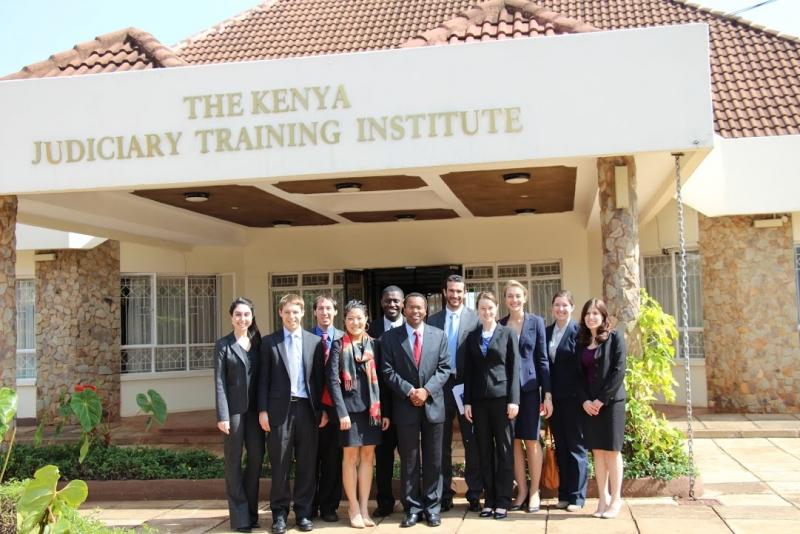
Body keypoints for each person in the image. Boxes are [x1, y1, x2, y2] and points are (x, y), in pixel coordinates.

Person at [380, 293, 450, 528]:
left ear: (426, 310)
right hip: (405, 405)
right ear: (404, 309)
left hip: (433, 405)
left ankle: (432, 508)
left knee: (434, 460)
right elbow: (387, 371)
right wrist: (410, 391)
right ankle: (412, 508)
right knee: (409, 460)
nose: (415, 311)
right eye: (410, 307)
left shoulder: (439, 335)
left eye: (419, 307)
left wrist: (426, 391)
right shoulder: (390, 338)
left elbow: (444, 369)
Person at [258, 294, 326, 534]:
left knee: (307, 464)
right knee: (280, 464)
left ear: (303, 313)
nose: (291, 316)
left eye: (296, 312)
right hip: (279, 412)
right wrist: (263, 410)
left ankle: (303, 513)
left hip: (308, 410)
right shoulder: (269, 343)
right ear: (280, 313)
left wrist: (323, 410)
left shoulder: (314, 342)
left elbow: (320, 380)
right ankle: (279, 514)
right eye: (287, 312)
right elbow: (262, 380)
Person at [327, 300, 391, 529]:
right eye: (350, 318)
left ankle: (364, 507)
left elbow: (383, 381)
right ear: (344, 320)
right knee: (350, 458)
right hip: (348, 413)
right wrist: (341, 412)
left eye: (359, 318)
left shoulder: (376, 345)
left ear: (367, 320)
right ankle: (352, 506)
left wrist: (385, 412)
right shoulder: (337, 345)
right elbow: (333, 382)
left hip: (372, 412)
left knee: (367, 458)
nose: (355, 322)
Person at [427, 274, 482, 512]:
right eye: (451, 291)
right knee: (442, 443)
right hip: (441, 388)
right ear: (444, 292)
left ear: (464, 292)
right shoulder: (434, 319)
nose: (455, 295)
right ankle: (444, 494)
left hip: (465, 387)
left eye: (459, 291)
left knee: (472, 442)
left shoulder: (475, 319)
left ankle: (474, 493)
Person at [463, 291, 520, 520]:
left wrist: (514, 399)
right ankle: (490, 499)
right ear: (478, 311)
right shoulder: (472, 336)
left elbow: (514, 368)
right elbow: (469, 371)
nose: (487, 312)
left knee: (504, 451)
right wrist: (467, 401)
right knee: (483, 451)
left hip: (502, 400)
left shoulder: (507, 333)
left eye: (490, 308)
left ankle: (504, 500)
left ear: (497, 308)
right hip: (478, 402)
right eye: (482, 308)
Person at [498, 280, 552, 513]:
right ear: (505, 299)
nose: (514, 300)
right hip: (507, 392)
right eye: (510, 296)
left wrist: (547, 394)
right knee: (514, 443)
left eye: (518, 296)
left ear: (525, 297)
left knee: (531, 439)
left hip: (530, 391)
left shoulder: (536, 322)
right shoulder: (500, 325)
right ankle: (521, 491)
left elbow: (542, 360)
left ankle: (534, 492)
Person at [214, 297, 265, 533]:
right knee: (233, 463)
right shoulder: (223, 345)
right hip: (233, 412)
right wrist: (222, 415)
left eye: (246, 314)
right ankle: (239, 517)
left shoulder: (258, 342)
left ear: (252, 317)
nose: (242, 318)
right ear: (231, 317)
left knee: (255, 460)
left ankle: (252, 513)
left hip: (255, 412)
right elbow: (219, 382)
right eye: (238, 314)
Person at [575, 298, 626, 519]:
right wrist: (585, 401)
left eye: (596, 313)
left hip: (611, 404)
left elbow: (618, 371)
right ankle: (602, 499)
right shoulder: (581, 341)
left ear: (604, 316)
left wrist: (601, 400)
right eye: (588, 313)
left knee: (612, 451)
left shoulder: (615, 338)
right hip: (589, 406)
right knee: (597, 451)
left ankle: (616, 499)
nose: (591, 317)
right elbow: (578, 376)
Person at [546, 290, 587, 512]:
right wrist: (547, 395)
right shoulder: (547, 331)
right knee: (561, 446)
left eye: (565, 305)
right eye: (557, 305)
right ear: (552, 307)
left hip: (573, 400)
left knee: (576, 447)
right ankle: (564, 494)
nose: (560, 309)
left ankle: (577, 497)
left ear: (572, 307)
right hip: (554, 400)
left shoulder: (579, 333)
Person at [367, 285, 404, 517]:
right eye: (388, 301)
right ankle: (385, 502)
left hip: (408, 401)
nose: (392, 305)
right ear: (381, 303)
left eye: (396, 301)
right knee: (383, 457)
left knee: (411, 456)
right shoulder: (372, 329)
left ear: (403, 304)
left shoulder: (412, 325)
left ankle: (411, 500)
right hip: (381, 402)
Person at [310, 295, 345, 523]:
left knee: (333, 461)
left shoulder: (344, 338)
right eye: (321, 308)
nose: (325, 312)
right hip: (310, 411)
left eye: (329, 308)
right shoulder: (305, 338)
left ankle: (330, 506)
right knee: (310, 461)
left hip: (336, 411)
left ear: (335, 312)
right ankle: (309, 506)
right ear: (314, 312)